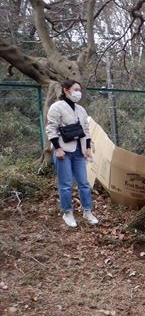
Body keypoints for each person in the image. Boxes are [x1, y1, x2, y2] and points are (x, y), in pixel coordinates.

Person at [46, 79, 99, 228]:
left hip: (79, 152)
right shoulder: (56, 107)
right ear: (66, 90)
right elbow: (51, 128)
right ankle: (67, 213)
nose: (78, 93)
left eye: (79, 90)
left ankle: (87, 211)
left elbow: (86, 130)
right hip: (63, 150)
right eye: (75, 89)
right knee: (65, 185)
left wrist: (87, 148)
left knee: (84, 183)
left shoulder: (81, 109)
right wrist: (57, 148)